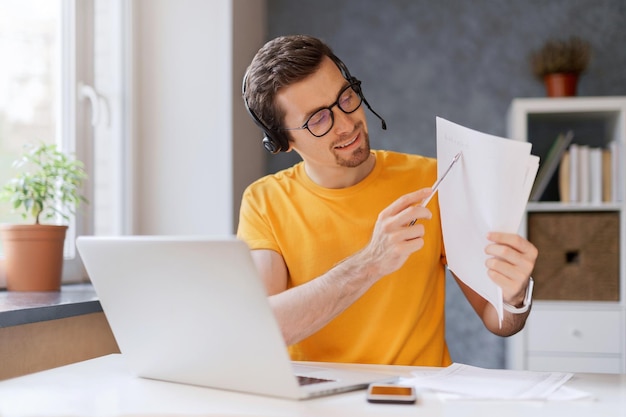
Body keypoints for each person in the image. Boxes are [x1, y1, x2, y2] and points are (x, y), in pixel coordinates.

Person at [238, 34, 537, 367]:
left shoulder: (432, 180)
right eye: (318, 119)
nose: (347, 123)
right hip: (318, 403)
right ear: (283, 141)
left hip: (418, 401)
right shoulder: (264, 202)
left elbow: (497, 320)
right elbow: (261, 331)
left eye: (346, 97)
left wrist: (514, 296)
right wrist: (370, 262)